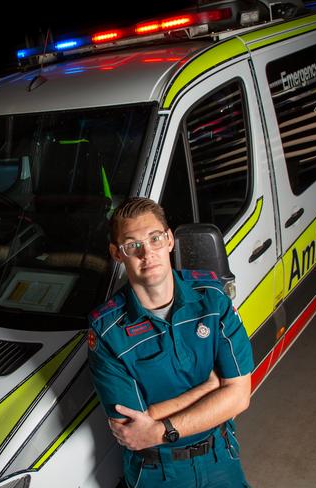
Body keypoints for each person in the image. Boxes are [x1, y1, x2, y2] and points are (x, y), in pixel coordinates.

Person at [88, 197, 253, 488]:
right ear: (117, 254)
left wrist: (158, 427)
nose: (146, 253)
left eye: (154, 239)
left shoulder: (212, 298)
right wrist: (212, 387)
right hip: (156, 471)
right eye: (132, 245)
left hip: (218, 455)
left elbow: (239, 396)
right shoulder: (107, 330)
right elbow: (132, 429)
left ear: (169, 240)